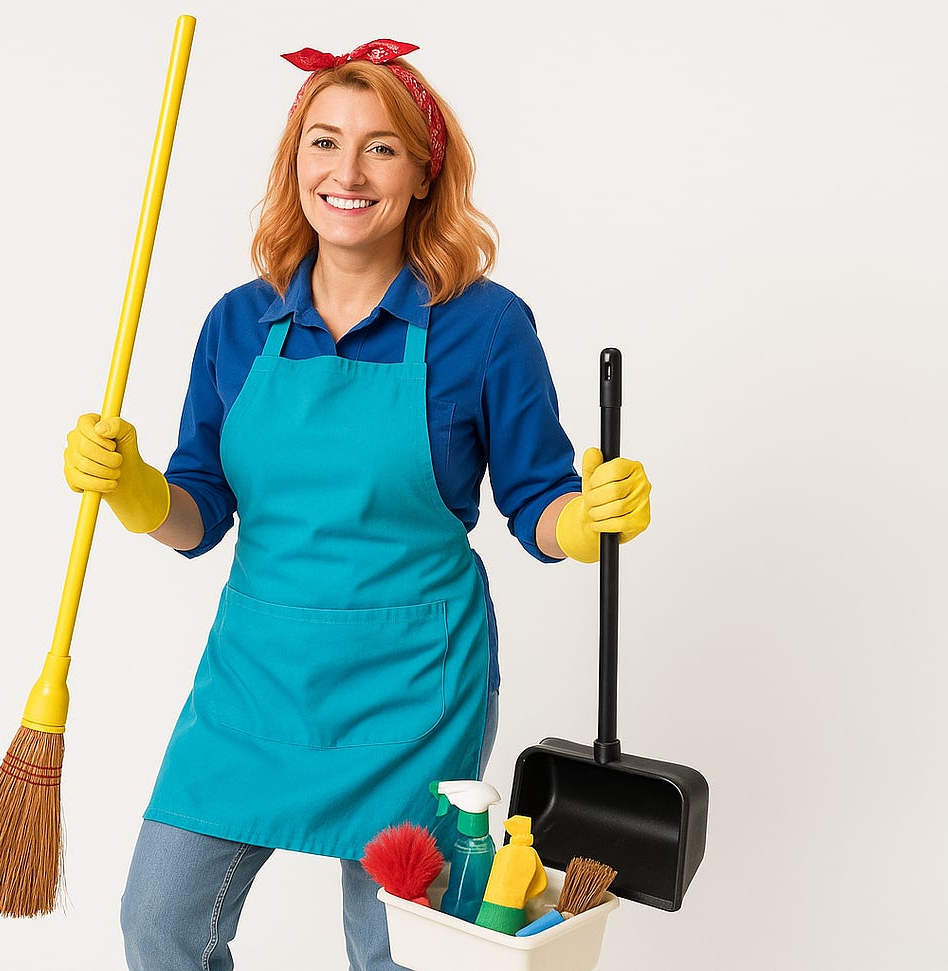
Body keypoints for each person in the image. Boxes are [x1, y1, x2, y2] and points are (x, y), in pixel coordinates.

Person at [63, 39, 652, 971]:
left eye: (380, 147)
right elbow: (198, 511)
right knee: (159, 918)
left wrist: (585, 518)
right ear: (294, 161)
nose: (347, 171)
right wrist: (136, 488)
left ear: (425, 173)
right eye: (323, 141)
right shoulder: (239, 322)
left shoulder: (484, 326)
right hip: (255, 677)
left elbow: (538, 500)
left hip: (414, 682)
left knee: (395, 952)